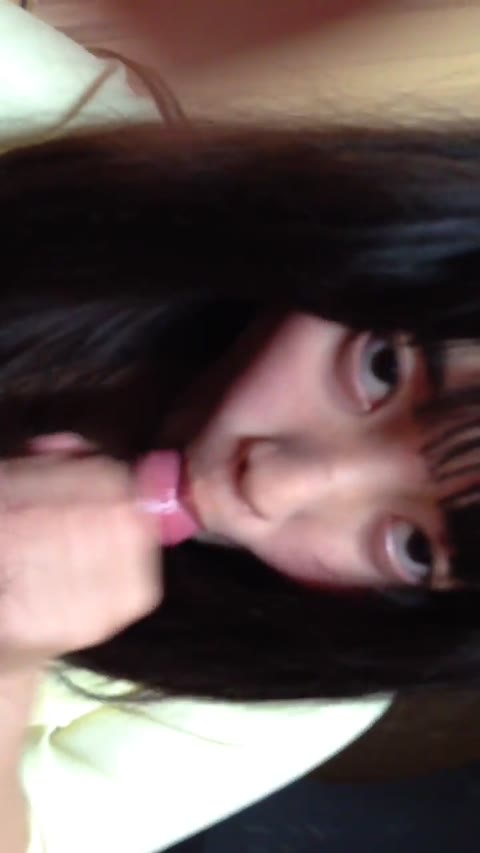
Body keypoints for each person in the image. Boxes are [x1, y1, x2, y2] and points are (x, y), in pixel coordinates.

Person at [1, 5, 480, 853]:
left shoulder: (289, 690)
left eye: (410, 545)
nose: (276, 484)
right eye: (379, 369)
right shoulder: (69, 134)